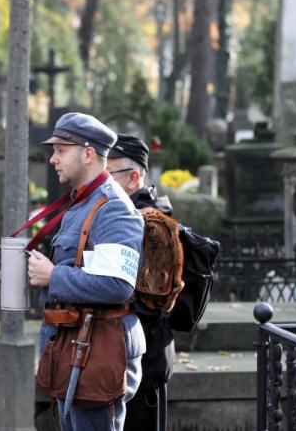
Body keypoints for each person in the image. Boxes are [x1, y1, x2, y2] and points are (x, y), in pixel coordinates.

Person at [28, 113, 145, 431]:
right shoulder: (82, 203)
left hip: (96, 354)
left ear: (88, 153)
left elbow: (117, 285)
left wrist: (53, 277)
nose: (53, 159)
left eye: (61, 150)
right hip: (77, 349)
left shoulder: (113, 207)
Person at [107, 134, 175, 431]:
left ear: (133, 176)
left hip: (143, 365)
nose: (101, 183)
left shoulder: (152, 223)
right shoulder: (122, 213)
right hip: (126, 360)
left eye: (107, 175)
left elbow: (151, 306)